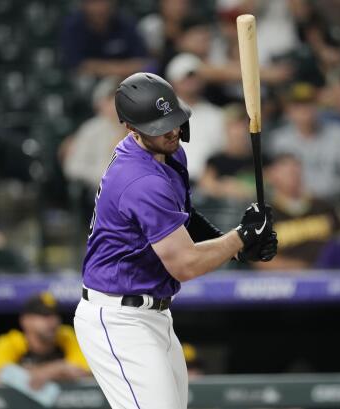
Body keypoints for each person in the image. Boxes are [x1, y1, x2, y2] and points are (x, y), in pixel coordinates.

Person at [74, 72, 277, 409]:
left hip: (152, 313)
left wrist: (235, 249)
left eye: (173, 120)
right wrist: (240, 238)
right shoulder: (138, 178)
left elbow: (185, 217)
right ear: (132, 129)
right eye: (159, 126)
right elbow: (184, 264)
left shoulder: (167, 154)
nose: (171, 131)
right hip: (118, 318)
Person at [254, 153, 340, 270]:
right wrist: (301, 269)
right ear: (273, 176)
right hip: (285, 280)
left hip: (329, 274)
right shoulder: (263, 214)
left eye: (296, 171)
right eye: (288, 173)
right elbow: (259, 258)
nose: (294, 176)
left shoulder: (323, 206)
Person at [267, 82, 340, 200]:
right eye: (298, 105)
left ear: (317, 107)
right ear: (288, 110)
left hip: (336, 200)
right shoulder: (279, 140)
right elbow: (270, 177)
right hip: (296, 204)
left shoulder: (338, 133)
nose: (304, 110)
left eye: (309, 104)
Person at [0, 292, 90, 389]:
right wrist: (59, 368)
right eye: (44, 315)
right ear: (26, 321)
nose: (52, 321)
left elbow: (86, 372)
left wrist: (32, 374)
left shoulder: (66, 336)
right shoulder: (10, 342)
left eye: (54, 314)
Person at [59, 77, 125, 194]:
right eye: (110, 99)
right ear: (99, 103)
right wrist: (103, 175)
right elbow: (72, 166)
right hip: (99, 191)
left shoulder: (135, 128)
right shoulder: (91, 129)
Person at [166, 53, 226, 182]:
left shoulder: (216, 114)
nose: (191, 81)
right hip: (170, 180)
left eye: (195, 76)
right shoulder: (161, 114)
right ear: (173, 81)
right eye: (186, 77)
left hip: (208, 184)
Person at [60, 0, 149, 78]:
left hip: (127, 80)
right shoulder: (73, 27)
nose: (99, 8)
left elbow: (143, 62)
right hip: (90, 83)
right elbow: (77, 65)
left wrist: (104, 68)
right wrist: (116, 69)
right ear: (84, 5)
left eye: (103, 1)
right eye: (93, 2)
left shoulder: (126, 22)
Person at [196, 103, 262, 201]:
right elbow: (205, 186)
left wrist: (241, 189)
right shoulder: (216, 160)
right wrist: (224, 187)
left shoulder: (261, 158)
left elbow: (270, 185)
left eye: (244, 125)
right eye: (234, 126)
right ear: (226, 129)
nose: (240, 132)